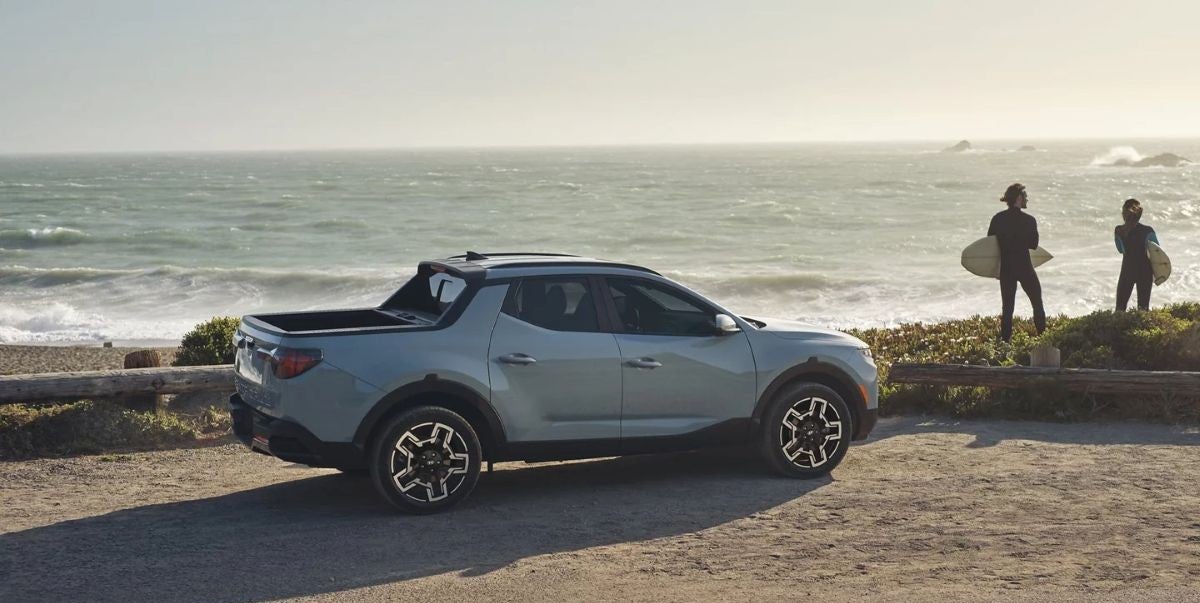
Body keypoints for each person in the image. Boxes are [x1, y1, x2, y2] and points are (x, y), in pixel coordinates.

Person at [988, 183, 1046, 342]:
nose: (1027, 199)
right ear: (1019, 198)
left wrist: (995, 270)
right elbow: (1033, 245)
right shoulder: (1029, 220)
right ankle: (1044, 339)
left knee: (1007, 309)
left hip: (1006, 268)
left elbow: (990, 245)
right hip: (1024, 267)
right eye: (1025, 196)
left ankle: (1005, 344)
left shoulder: (997, 219)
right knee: (1037, 303)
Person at [1114, 198, 1159, 311]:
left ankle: (1118, 328)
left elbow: (1121, 249)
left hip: (1127, 270)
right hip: (1145, 271)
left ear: (1124, 213)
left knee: (1120, 308)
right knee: (1143, 309)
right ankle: (1141, 329)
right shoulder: (1148, 231)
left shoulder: (1119, 231)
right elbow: (1157, 251)